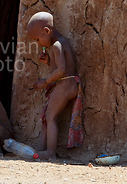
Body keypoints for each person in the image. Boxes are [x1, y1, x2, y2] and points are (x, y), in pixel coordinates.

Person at [27, 11, 84, 160]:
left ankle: (50, 152)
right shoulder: (61, 42)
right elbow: (60, 66)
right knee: (47, 117)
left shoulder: (57, 46)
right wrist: (47, 62)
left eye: (38, 39)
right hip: (70, 83)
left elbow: (61, 71)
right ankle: (42, 148)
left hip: (65, 84)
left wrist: (44, 81)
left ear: (47, 31)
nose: (39, 43)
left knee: (50, 117)